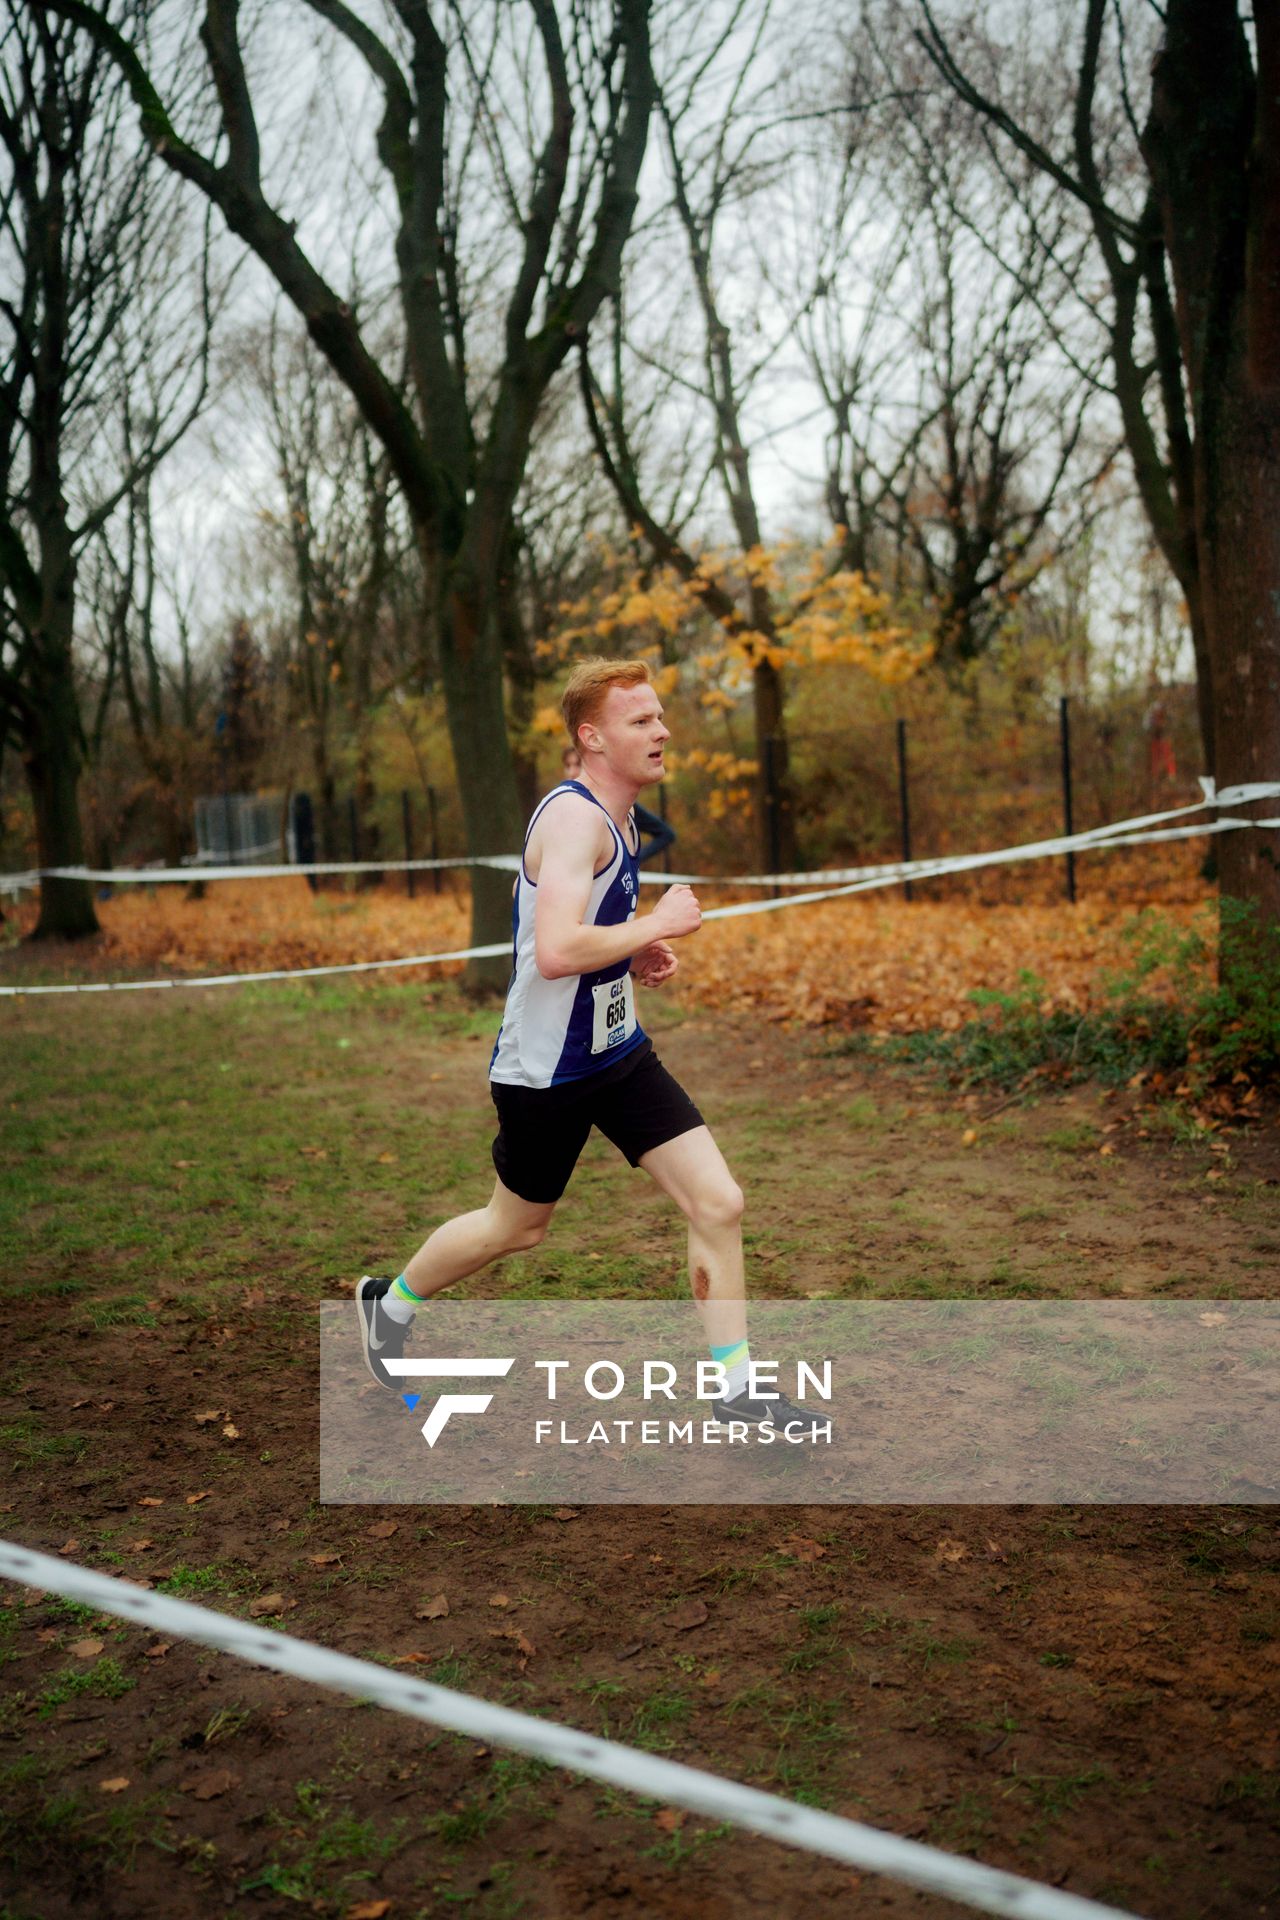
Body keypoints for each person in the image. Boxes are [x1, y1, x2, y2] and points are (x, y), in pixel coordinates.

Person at [356, 657, 821, 1434]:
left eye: (659, 716)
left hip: (617, 1053)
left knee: (718, 1201)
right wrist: (656, 924)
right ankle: (389, 1303)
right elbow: (554, 952)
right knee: (517, 1227)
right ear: (592, 737)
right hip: (547, 1071)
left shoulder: (620, 815)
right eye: (641, 720)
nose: (662, 730)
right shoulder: (574, 819)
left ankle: (737, 1392)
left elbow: (550, 912)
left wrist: (632, 951)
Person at [562, 744, 676, 868]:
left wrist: (630, 862)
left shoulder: (616, 803)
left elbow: (666, 834)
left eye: (578, 764)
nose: (572, 772)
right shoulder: (560, 802)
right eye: (568, 766)